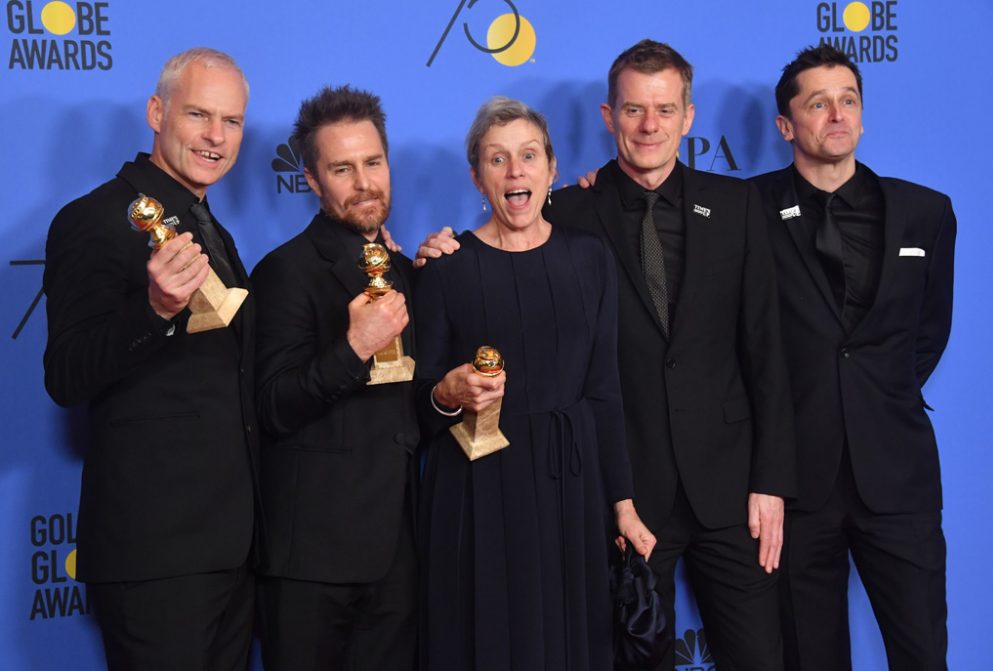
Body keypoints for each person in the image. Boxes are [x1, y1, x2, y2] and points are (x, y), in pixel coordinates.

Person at [416, 40, 796, 670]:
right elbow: (509, 245)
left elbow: (767, 351)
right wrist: (434, 252)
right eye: (633, 110)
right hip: (626, 489)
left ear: (689, 117)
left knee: (759, 655)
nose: (649, 125)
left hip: (730, 491)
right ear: (607, 115)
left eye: (665, 110)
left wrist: (771, 480)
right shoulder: (569, 208)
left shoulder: (738, 207)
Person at [415, 96, 656, 671]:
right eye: (498, 160)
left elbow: (604, 391)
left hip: (568, 487)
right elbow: (416, 404)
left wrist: (621, 504)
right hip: (475, 489)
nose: (515, 170)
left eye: (528, 155)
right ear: (478, 177)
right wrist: (448, 393)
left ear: (551, 168)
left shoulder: (591, 259)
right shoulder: (444, 268)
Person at [42, 48, 257, 669]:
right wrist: (155, 311)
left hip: (230, 547)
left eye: (233, 121)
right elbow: (65, 375)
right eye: (199, 115)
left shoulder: (208, 223)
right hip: (155, 554)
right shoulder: (93, 220)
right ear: (157, 112)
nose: (217, 137)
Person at [751, 44, 955, 670]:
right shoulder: (745, 211)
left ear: (862, 116)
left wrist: (874, 397)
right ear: (787, 126)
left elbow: (928, 334)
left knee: (922, 653)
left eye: (848, 101)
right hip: (796, 482)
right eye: (818, 103)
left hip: (897, 475)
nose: (836, 115)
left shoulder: (926, 212)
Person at [251, 85, 419, 671]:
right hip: (310, 566)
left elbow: (414, 405)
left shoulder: (405, 271)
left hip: (398, 557)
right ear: (312, 180)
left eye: (373, 163)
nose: (364, 182)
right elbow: (273, 406)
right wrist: (353, 348)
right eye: (342, 169)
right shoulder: (282, 273)